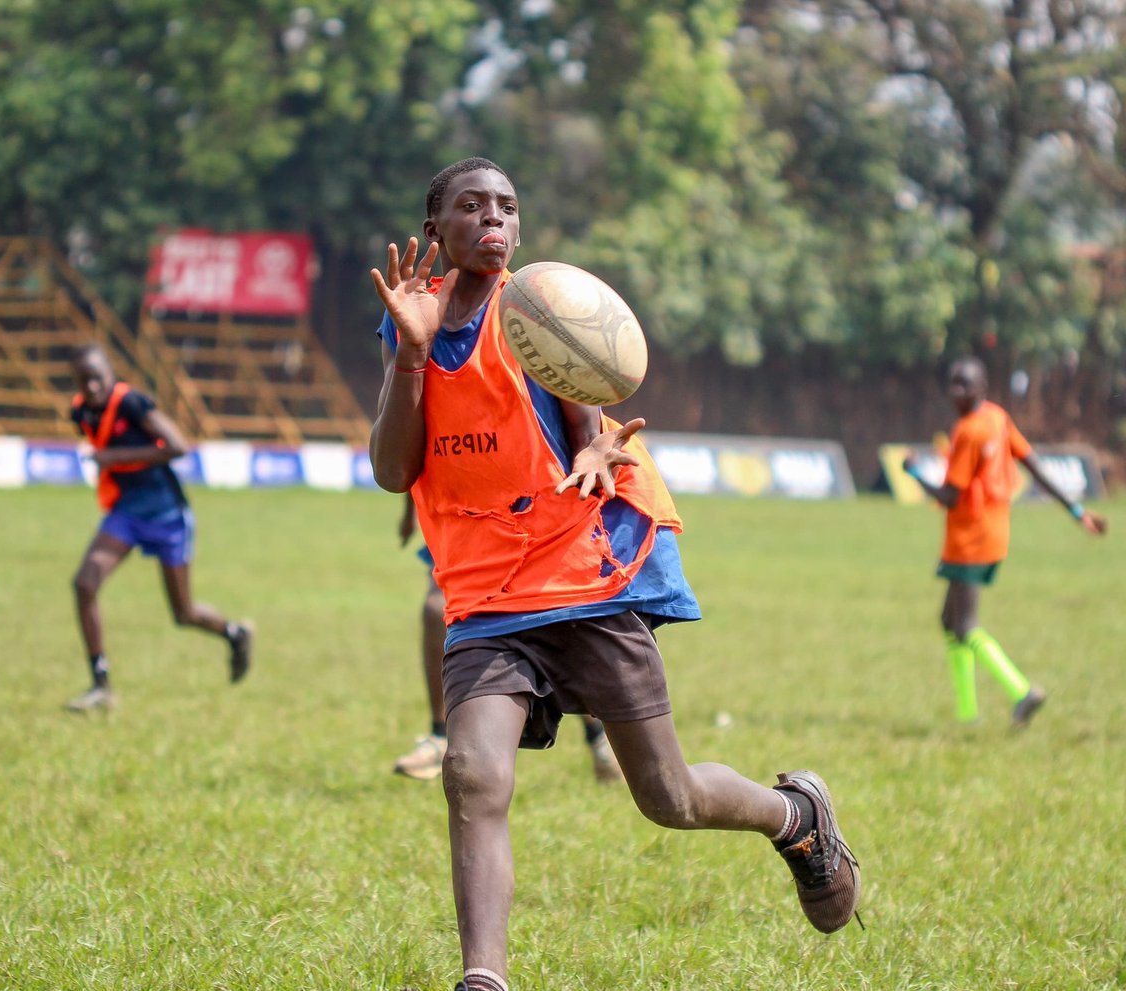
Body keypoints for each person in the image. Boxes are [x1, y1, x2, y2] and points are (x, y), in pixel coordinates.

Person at [368, 158, 860, 991]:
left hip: (579, 581)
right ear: (435, 231)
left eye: (507, 206)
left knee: (668, 796)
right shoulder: (408, 322)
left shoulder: (541, 308)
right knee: (472, 773)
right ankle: (483, 978)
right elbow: (392, 469)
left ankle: (796, 815)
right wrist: (411, 355)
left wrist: (596, 444)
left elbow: (589, 415)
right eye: (471, 204)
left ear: (519, 230)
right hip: (484, 596)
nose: (492, 215)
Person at [903, 355, 1107, 727]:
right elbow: (1034, 465)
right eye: (953, 383)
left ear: (982, 388)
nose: (956, 391)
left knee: (964, 625)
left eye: (964, 384)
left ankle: (1022, 691)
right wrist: (1078, 512)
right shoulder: (997, 418)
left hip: (970, 537)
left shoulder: (969, 430)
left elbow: (949, 496)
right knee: (949, 621)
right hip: (992, 533)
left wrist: (914, 471)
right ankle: (967, 713)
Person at [65, 343, 253, 712]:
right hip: (127, 512)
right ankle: (101, 684)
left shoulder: (133, 403)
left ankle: (235, 634)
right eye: (83, 380)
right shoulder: (80, 412)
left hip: (167, 514)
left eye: (97, 378)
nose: (91, 387)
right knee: (84, 584)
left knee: (183, 614)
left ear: (110, 374)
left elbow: (178, 446)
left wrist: (116, 458)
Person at [392, 495, 623, 784]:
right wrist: (409, 509)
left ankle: (600, 738)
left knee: (555, 615)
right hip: (463, 508)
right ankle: (440, 737)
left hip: (532, 504)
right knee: (436, 608)